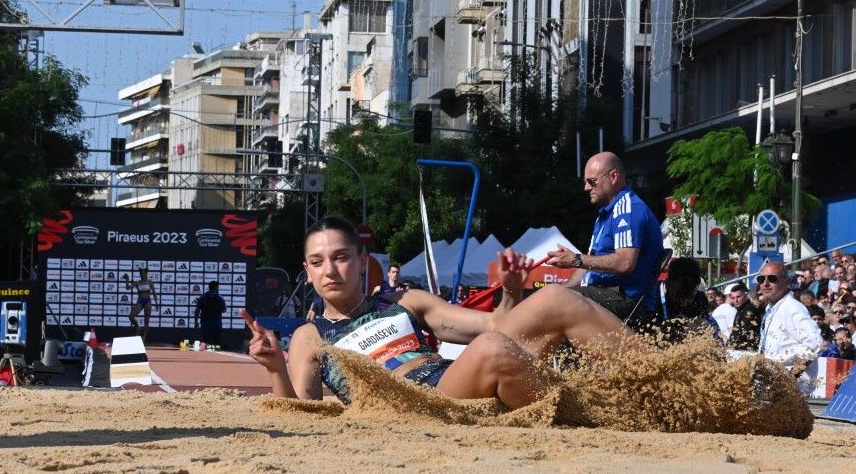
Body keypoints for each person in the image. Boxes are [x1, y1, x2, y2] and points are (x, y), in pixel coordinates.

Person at [247, 217, 637, 409]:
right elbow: (299, 411)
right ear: (307, 270)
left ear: (363, 260)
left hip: (456, 380)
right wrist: (274, 369)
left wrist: (511, 291)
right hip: (419, 406)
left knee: (555, 298)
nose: (330, 270)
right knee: (491, 350)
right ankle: (592, 413)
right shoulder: (310, 337)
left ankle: (664, 383)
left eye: (341, 258)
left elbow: (496, 325)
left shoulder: (405, 301)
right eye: (317, 262)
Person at [545, 152, 664, 320]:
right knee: (550, 295)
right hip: (608, 295)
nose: (586, 188)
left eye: (591, 181)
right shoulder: (605, 215)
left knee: (553, 302)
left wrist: (576, 259)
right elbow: (586, 267)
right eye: (585, 182)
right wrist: (564, 287)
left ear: (614, 176)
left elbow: (625, 262)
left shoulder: (627, 209)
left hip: (628, 301)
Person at [756, 261, 823, 386]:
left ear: (786, 282)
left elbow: (816, 343)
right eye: (761, 279)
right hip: (772, 388)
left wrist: (792, 374)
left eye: (772, 278)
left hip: (792, 393)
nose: (765, 283)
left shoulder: (792, 308)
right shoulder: (770, 309)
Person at [194, 281, 228, 349]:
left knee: (206, 343)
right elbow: (224, 310)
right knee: (217, 343)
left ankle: (206, 358)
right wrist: (217, 310)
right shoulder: (219, 297)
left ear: (209, 287)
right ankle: (217, 356)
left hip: (205, 322)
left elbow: (197, 310)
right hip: (216, 323)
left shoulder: (203, 297)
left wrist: (196, 322)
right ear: (216, 287)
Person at [727, 284, 761, 351]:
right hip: (741, 350)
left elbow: (744, 332)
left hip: (747, 351)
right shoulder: (740, 310)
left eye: (738, 297)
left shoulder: (749, 310)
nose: (736, 300)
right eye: (733, 298)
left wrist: (730, 345)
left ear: (746, 296)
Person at [127, 267, 158, 339]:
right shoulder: (137, 282)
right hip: (140, 300)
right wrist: (127, 280)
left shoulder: (150, 282)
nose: (142, 275)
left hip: (147, 301)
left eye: (143, 273)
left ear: (146, 274)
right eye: (141, 273)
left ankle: (144, 336)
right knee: (131, 317)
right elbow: (128, 288)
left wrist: (156, 303)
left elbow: (154, 293)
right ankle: (137, 327)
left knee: (146, 319)